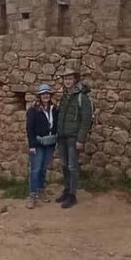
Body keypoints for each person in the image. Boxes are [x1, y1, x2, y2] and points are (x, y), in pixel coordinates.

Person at [55, 67, 93, 209]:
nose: (67, 81)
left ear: (75, 80)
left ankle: (72, 195)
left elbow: (86, 120)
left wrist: (80, 139)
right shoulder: (64, 97)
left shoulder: (81, 98)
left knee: (72, 166)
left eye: (70, 78)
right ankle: (66, 191)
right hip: (62, 137)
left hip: (73, 138)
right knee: (65, 166)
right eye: (65, 79)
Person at [24, 84, 58, 209]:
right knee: (35, 169)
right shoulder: (33, 110)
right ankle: (32, 195)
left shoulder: (54, 109)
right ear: (39, 96)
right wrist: (32, 144)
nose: (45, 96)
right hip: (37, 144)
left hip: (49, 143)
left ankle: (40, 190)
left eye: (47, 94)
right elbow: (30, 128)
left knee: (43, 168)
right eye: (43, 94)